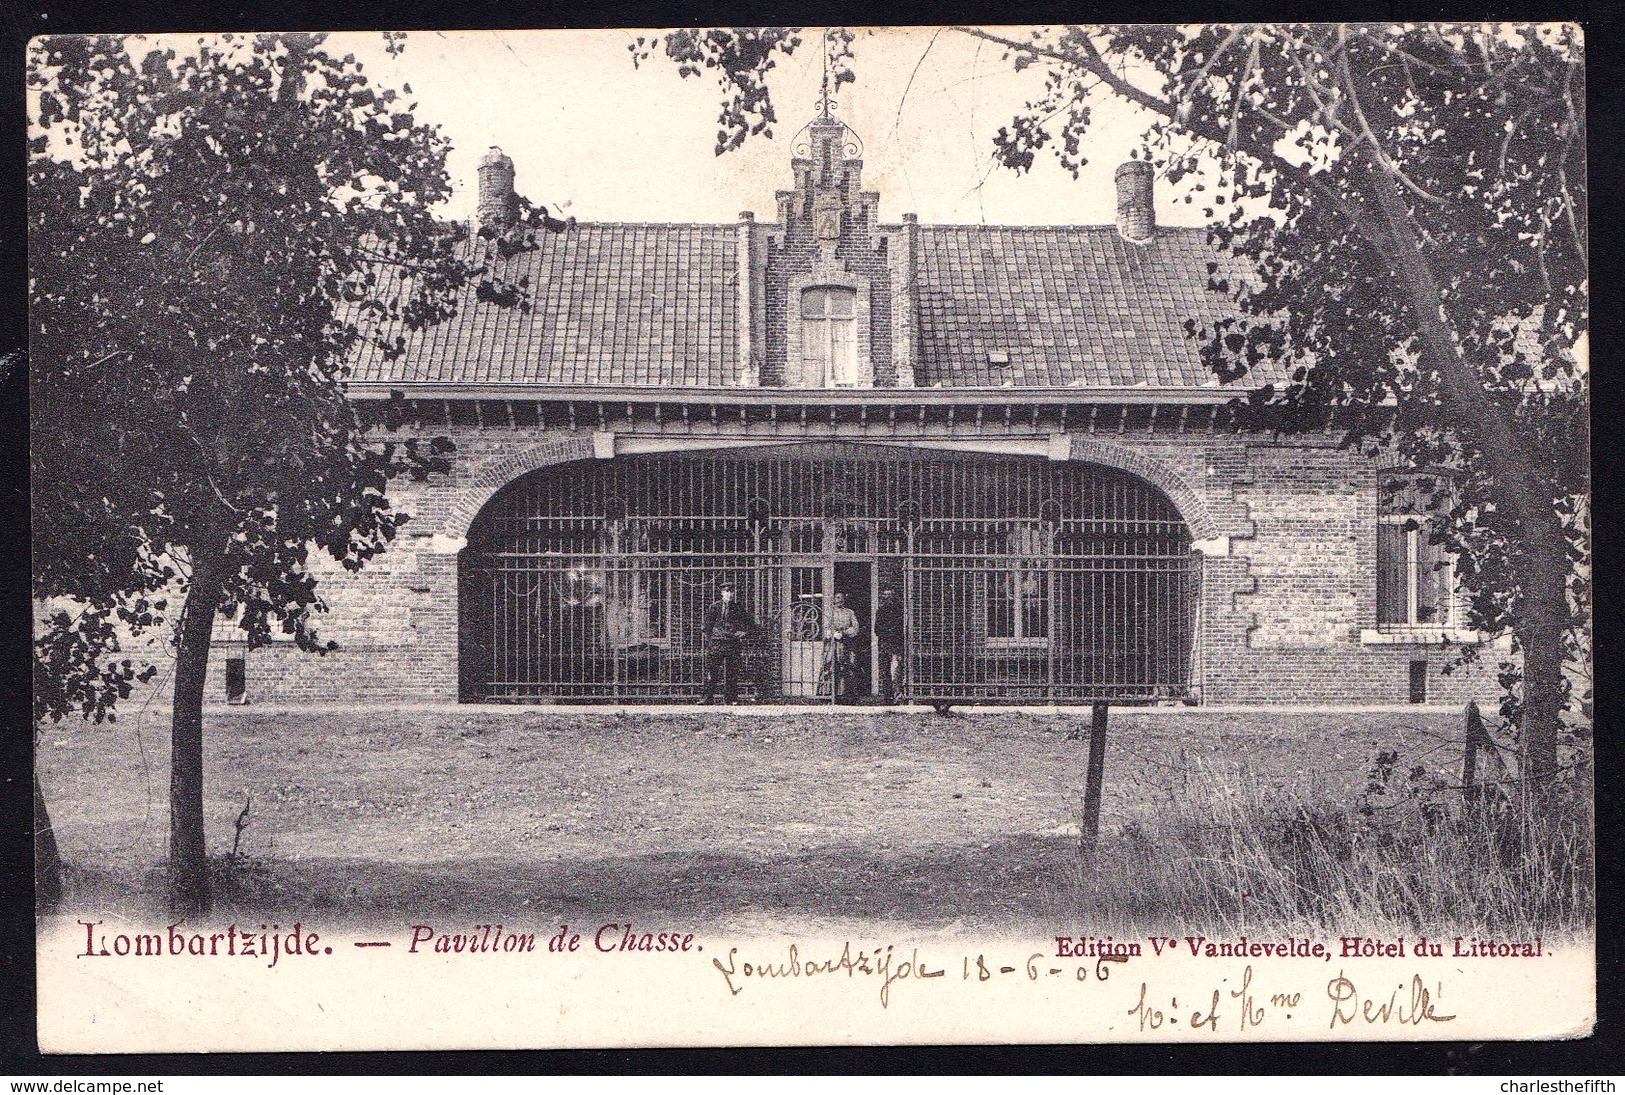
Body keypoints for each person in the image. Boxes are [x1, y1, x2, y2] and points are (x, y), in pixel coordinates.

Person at [700, 581, 755, 704]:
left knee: (732, 673)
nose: (729, 594)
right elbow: (706, 626)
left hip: (732, 643)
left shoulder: (738, 607)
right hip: (717, 643)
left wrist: (742, 633)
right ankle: (707, 698)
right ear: (722, 593)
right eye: (726, 591)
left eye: (731, 591)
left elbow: (749, 623)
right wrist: (711, 639)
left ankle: (730, 699)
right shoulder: (714, 607)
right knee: (711, 672)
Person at [825, 591, 861, 703]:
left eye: (842, 598)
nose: (840, 600)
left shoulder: (850, 612)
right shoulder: (829, 612)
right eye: (837, 598)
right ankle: (830, 695)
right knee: (831, 666)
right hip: (833, 643)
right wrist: (833, 633)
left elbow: (855, 628)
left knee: (849, 667)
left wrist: (844, 633)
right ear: (834, 599)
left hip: (847, 643)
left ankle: (847, 696)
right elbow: (826, 627)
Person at [873, 586, 905, 704]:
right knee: (885, 671)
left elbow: (902, 627)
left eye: (890, 595)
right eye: (885, 596)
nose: (887, 598)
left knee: (897, 670)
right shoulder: (880, 611)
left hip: (896, 644)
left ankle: (898, 695)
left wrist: (892, 634)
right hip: (885, 644)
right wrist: (887, 634)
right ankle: (888, 697)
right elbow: (877, 628)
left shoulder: (900, 610)